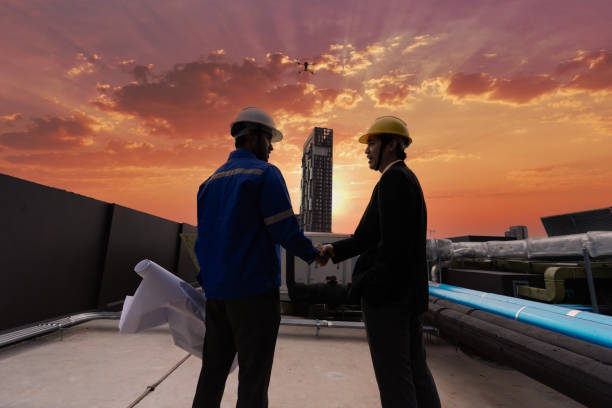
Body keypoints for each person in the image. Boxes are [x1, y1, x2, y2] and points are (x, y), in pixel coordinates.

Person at [193, 107, 325, 408]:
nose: (272, 147)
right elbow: (284, 229)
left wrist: (208, 282)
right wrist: (313, 254)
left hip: (217, 296)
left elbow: (204, 242)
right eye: (269, 139)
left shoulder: (209, 183)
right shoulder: (265, 174)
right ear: (252, 136)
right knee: (253, 377)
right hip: (253, 294)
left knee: (213, 371)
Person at [320, 116, 441, 408]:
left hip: (389, 300)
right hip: (406, 297)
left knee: (395, 380)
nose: (366, 150)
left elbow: (392, 248)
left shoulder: (394, 180)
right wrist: (332, 250)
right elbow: (368, 236)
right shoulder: (403, 179)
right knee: (415, 372)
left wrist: (365, 284)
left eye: (372, 143)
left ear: (392, 144)